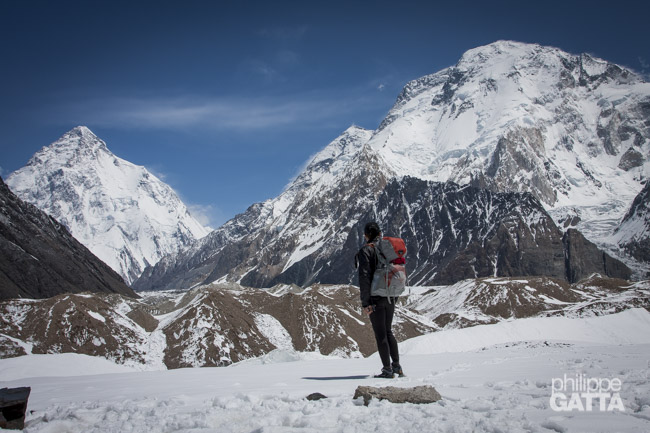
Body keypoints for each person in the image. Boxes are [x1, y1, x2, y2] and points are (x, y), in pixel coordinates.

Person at [356, 221, 404, 378]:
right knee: (388, 330)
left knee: (380, 333)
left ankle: (387, 369)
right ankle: (396, 366)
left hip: (376, 297)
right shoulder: (388, 248)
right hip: (391, 295)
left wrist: (366, 302)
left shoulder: (366, 251)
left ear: (367, 235)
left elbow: (364, 278)